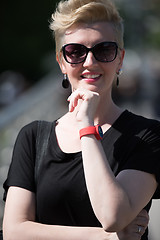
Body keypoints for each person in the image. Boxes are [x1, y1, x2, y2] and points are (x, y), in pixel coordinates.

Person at [2, 0, 160, 239]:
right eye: (75, 52)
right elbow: (14, 231)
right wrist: (105, 238)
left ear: (120, 59)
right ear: (61, 63)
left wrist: (87, 126)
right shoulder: (33, 137)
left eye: (104, 50)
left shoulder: (147, 135)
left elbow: (112, 216)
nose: (89, 62)